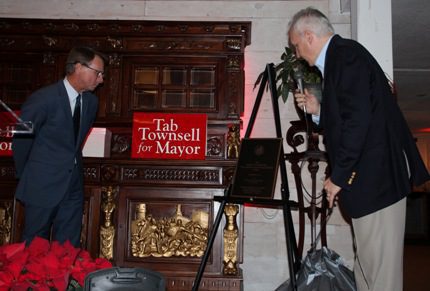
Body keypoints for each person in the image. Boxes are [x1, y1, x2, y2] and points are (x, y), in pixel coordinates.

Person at [289, 7, 430, 291]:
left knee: (380, 279)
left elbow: (358, 122)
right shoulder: (343, 59)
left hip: (377, 183)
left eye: (296, 45)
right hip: (372, 185)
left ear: (308, 35)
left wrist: (338, 176)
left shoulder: (345, 56)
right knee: (367, 273)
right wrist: (319, 110)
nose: (297, 53)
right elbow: (353, 116)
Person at [12, 46, 106, 247]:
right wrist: (28, 175)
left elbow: (75, 142)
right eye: (98, 73)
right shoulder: (42, 99)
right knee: (35, 245)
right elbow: (21, 138)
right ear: (79, 67)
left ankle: (65, 280)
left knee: (68, 246)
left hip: (73, 185)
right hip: (41, 183)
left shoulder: (91, 102)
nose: (101, 79)